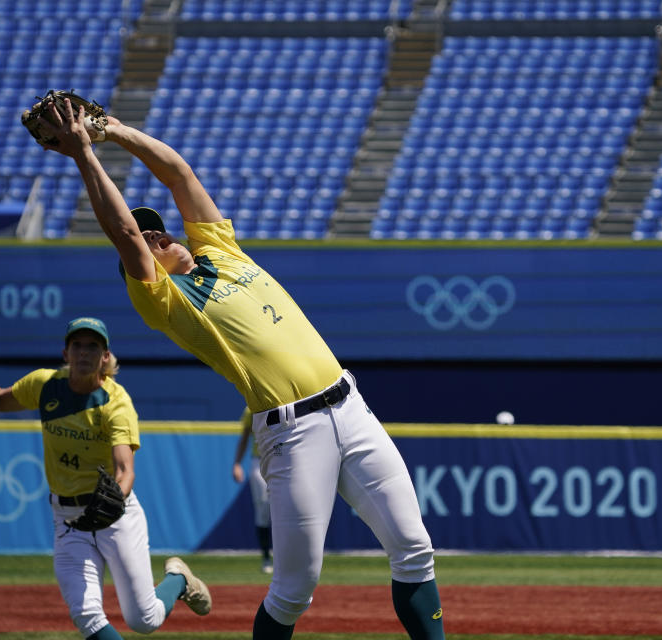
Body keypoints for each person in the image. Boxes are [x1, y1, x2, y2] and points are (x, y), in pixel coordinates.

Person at [39, 98, 445, 640]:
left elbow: (179, 173)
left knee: (414, 548)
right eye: (148, 240)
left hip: (351, 405)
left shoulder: (221, 250)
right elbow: (124, 234)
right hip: (293, 433)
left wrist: (113, 130)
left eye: (159, 230)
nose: (158, 237)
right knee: (295, 587)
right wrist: (85, 155)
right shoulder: (165, 301)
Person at [0, 318, 211, 640]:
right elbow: (0, 399)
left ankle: (179, 579)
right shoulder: (46, 385)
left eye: (93, 346)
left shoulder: (116, 402)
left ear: (105, 357)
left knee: (144, 619)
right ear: (66, 353)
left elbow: (125, 469)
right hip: (68, 521)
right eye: (78, 345)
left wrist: (115, 499)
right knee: (86, 614)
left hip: (115, 518)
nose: (84, 352)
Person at [233, 406, 273, 574]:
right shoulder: (251, 408)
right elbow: (245, 437)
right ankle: (266, 557)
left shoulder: (284, 401)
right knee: (263, 509)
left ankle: (286, 557)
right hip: (259, 461)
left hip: (281, 459)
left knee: (286, 510)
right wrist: (236, 463)